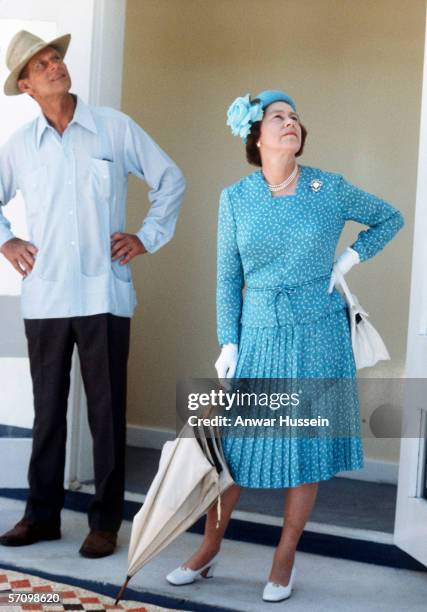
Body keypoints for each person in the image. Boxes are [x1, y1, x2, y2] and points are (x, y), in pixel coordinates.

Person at [166, 90, 404, 601]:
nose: (290, 123)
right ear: (257, 135)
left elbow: (390, 217)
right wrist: (228, 342)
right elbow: (227, 279)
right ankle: (208, 549)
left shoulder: (328, 187)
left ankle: (285, 555)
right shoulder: (236, 198)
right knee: (234, 449)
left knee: (307, 445)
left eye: (295, 117)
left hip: (320, 334)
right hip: (258, 334)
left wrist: (347, 262)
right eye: (278, 117)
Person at [0, 30, 185, 558]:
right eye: (41, 64)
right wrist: (6, 240)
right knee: (48, 412)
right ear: (27, 86)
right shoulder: (19, 148)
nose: (55, 65)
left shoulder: (113, 128)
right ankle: (41, 517)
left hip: (105, 294)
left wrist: (145, 237)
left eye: (56, 57)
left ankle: (104, 523)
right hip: (46, 297)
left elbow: (170, 179)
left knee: (106, 412)